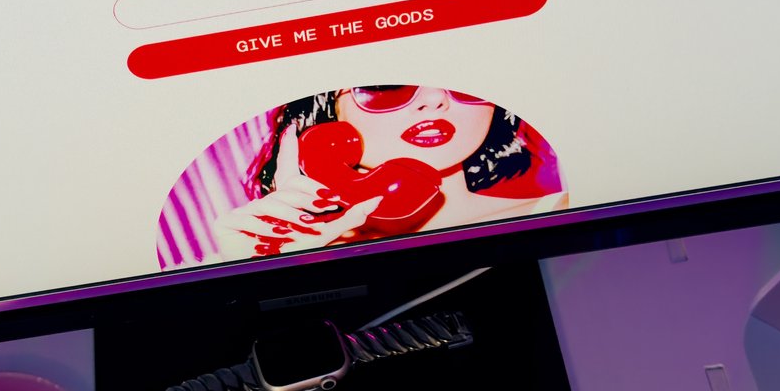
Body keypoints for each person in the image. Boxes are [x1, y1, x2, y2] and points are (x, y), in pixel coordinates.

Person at [205, 85, 566, 261]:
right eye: (386, 88)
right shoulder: (299, 249)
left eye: (462, 86)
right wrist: (258, 273)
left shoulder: (562, 215)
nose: (435, 100)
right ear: (329, 110)